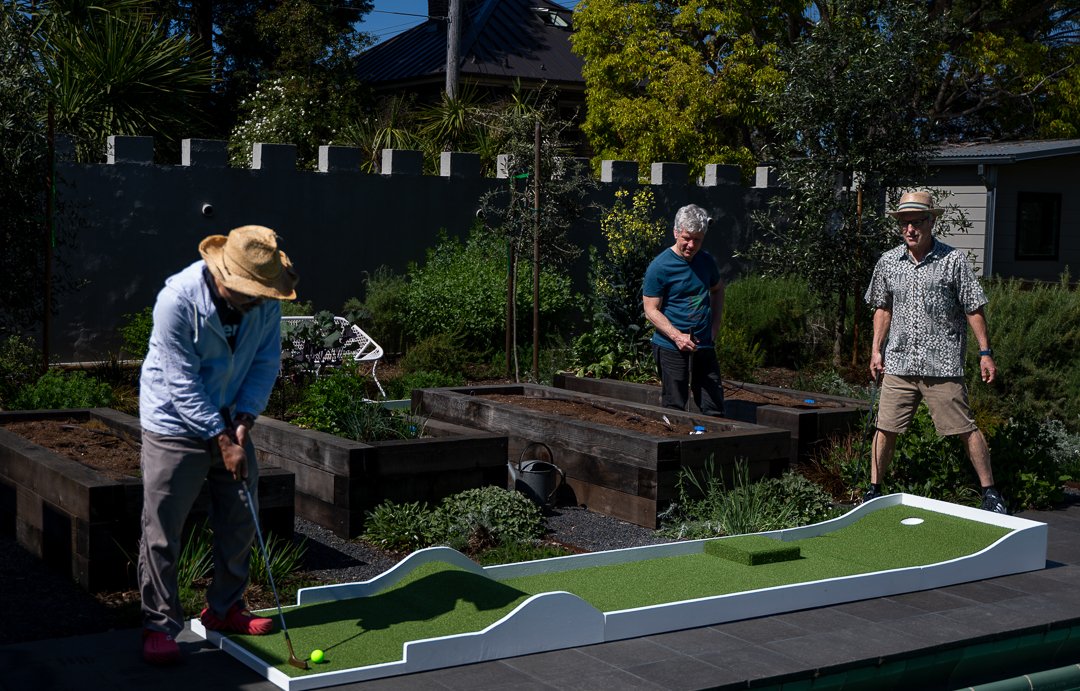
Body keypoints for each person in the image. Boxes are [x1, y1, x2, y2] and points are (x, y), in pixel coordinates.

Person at [138, 225, 299, 664]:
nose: (257, 300)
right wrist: (221, 438)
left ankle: (224, 608)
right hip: (173, 422)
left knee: (240, 517)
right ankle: (160, 625)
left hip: (231, 414)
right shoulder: (178, 301)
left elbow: (266, 362)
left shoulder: (265, 298)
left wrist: (245, 420)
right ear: (224, 278)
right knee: (163, 529)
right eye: (249, 291)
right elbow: (181, 382)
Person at [863, 190, 1006, 514]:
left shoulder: (953, 261)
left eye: (916, 222)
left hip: (942, 366)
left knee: (965, 428)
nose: (910, 229)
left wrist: (985, 352)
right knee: (885, 428)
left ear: (931, 222)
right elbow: (883, 308)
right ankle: (873, 491)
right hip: (899, 362)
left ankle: (991, 492)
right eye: (904, 223)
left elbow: (973, 307)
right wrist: (876, 350)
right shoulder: (889, 262)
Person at [643, 204, 725, 416]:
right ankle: (674, 446)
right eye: (686, 238)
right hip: (671, 346)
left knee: (713, 405)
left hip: (703, 343)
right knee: (674, 406)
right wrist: (677, 336)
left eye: (697, 240)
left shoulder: (706, 261)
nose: (691, 245)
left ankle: (711, 444)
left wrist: (714, 326)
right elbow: (651, 310)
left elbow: (717, 289)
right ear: (676, 232)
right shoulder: (660, 266)